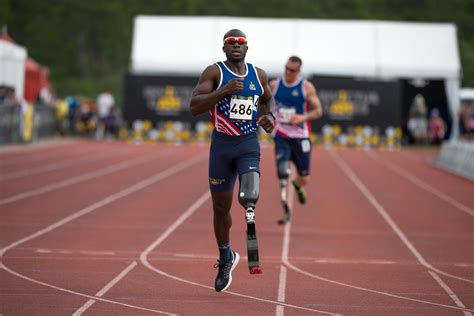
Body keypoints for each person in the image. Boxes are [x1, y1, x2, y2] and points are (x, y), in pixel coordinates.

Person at [189, 29, 275, 292]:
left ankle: (249, 208)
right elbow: (194, 106)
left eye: (240, 43)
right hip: (222, 147)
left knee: (249, 194)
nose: (236, 46)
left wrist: (269, 117)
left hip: (248, 144)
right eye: (230, 43)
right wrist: (223, 91)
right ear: (224, 49)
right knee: (220, 208)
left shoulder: (258, 75)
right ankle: (226, 256)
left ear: (247, 48)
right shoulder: (214, 73)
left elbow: (268, 100)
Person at [270, 56, 323, 225]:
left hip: (301, 137)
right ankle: (286, 210)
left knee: (304, 177)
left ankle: (298, 186)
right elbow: (264, 103)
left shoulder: (306, 87)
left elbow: (318, 111)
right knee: (282, 171)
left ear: (298, 71)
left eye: (291, 70)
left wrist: (302, 117)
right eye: (286, 68)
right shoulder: (274, 85)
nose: (287, 72)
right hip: (282, 136)